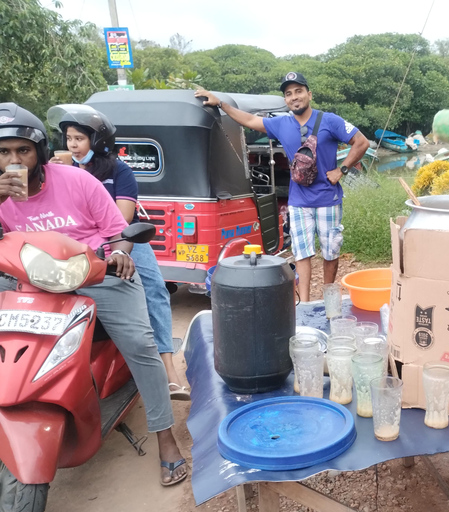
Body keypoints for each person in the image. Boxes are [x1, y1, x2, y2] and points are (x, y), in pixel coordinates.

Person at [0, 103, 188, 486]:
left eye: (23, 150)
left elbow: (118, 231)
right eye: (4, 152)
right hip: (35, 283)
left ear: (38, 150)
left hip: (94, 272)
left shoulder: (77, 181)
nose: (14, 160)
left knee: (140, 342)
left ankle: (165, 437)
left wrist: (120, 253)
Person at [46, 104, 190, 401]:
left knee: (154, 291)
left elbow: (123, 219)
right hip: (74, 247)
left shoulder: (118, 170)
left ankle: (170, 372)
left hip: (121, 241)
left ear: (97, 142)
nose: (72, 145)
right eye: (69, 139)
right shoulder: (56, 173)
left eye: (79, 139)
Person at [194, 72, 370, 301]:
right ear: (285, 100)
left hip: (328, 198)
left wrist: (342, 170)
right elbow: (248, 120)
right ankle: (305, 304)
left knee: (331, 252)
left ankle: (329, 298)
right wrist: (221, 103)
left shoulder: (330, 120)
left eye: (298, 91)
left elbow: (361, 142)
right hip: (298, 201)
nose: (294, 97)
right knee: (302, 254)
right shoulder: (280, 124)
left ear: (309, 94)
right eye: (288, 94)